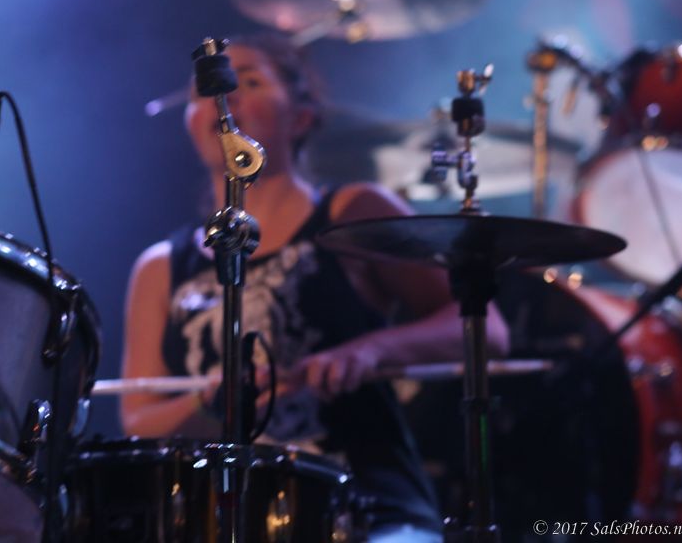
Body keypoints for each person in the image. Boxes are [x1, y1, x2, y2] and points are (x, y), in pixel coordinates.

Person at [120, 32, 509, 542]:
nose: (224, 96)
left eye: (249, 81)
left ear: (301, 116)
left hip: (369, 509)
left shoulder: (354, 212)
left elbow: (486, 330)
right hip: (223, 519)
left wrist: (371, 350)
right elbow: (138, 416)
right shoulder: (160, 266)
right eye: (205, 90)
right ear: (191, 121)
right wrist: (213, 403)